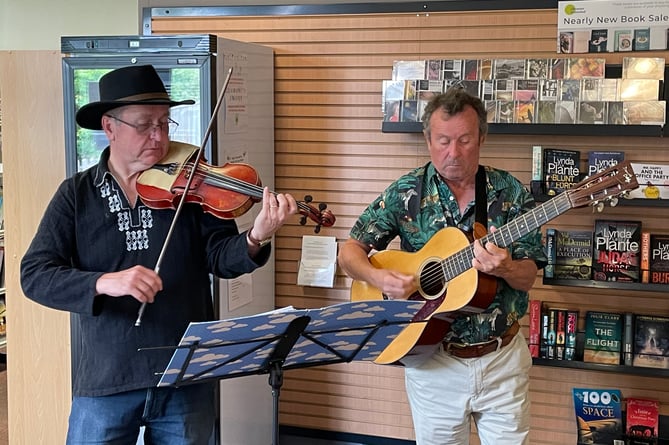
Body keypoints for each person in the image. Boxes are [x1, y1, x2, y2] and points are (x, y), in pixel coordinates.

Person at [20, 64, 297, 445]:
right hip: (108, 376)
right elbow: (35, 274)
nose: (159, 135)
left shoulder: (191, 186)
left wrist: (257, 236)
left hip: (184, 372)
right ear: (109, 127)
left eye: (165, 123)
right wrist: (105, 282)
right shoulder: (76, 195)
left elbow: (220, 257)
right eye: (145, 124)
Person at [338, 88, 546, 445]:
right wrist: (378, 276)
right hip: (432, 362)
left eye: (465, 140)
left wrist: (506, 267)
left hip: (502, 361)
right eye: (443, 140)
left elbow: (528, 277)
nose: (453, 152)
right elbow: (349, 252)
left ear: (481, 137)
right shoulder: (406, 191)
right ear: (427, 139)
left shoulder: (509, 192)